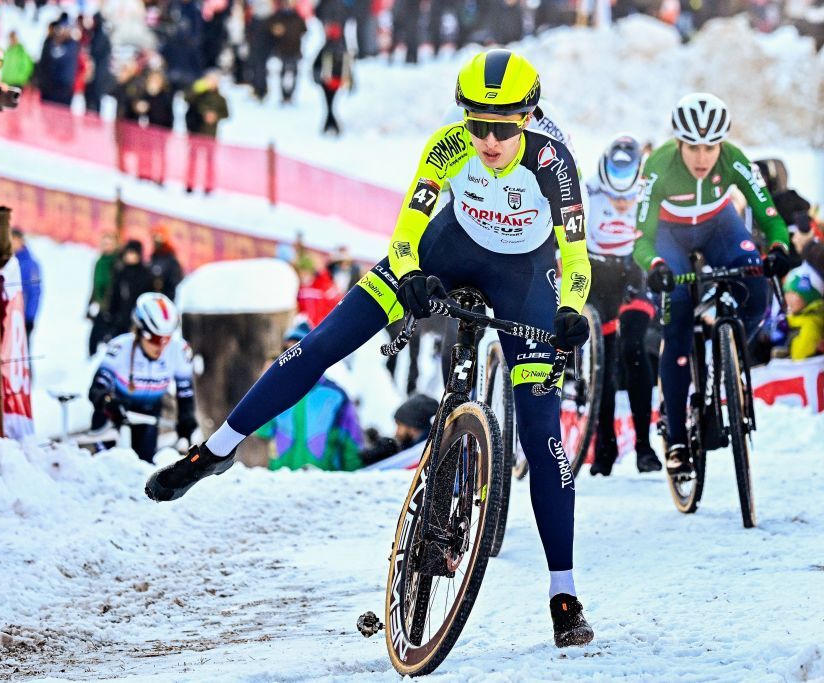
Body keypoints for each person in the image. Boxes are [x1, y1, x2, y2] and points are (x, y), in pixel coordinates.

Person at [148, 49, 596, 648]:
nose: (488, 139)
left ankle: (562, 592)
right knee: (321, 345)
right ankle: (216, 450)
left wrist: (569, 311)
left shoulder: (551, 160)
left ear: (529, 116)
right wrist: (408, 274)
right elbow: (407, 231)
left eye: (503, 126)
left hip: (526, 277)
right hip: (451, 246)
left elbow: (575, 258)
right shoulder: (450, 144)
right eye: (476, 123)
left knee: (543, 437)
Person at [634, 93, 792, 476]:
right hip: (670, 237)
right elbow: (641, 237)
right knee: (677, 326)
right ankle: (674, 438)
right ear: (680, 144)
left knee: (755, 282)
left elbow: (767, 212)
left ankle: (726, 351)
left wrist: (779, 246)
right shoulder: (659, 165)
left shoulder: (733, 159)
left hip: (719, 227)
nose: (703, 157)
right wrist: (654, 265)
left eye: (711, 147)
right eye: (694, 148)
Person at [584, 135, 661, 476]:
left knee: (633, 348)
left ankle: (644, 447)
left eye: (626, 197)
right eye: (614, 197)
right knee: (603, 360)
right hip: (597, 275)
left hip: (634, 271)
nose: (619, 204)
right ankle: (604, 446)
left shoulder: (648, 194)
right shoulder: (587, 191)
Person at [87, 293, 197, 463]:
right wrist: (107, 401)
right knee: (106, 466)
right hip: (113, 412)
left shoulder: (178, 350)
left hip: (148, 414)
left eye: (166, 339)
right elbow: (96, 389)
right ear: (139, 330)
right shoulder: (120, 348)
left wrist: (187, 417)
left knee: (143, 466)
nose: (160, 345)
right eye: (153, 338)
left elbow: (185, 392)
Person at [254, 321, 363, 471]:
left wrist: (353, 482)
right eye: (287, 350)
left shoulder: (335, 395)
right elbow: (262, 431)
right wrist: (264, 385)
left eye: (299, 349)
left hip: (321, 482)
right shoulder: (277, 390)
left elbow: (351, 443)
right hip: (282, 481)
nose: (293, 356)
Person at [359, 393, 438, 466]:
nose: (396, 432)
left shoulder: (423, 456)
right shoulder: (413, 449)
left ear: (413, 426)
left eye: (399, 425)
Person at [184, 70, 229, 194]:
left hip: (210, 134)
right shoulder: (198, 94)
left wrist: (215, 116)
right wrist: (199, 88)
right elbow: (187, 98)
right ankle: (189, 184)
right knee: (192, 159)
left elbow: (226, 114)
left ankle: (208, 186)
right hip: (195, 131)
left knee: (209, 161)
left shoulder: (220, 98)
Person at [107, 239, 155, 337]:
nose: (129, 256)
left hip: (137, 321)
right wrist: (111, 315)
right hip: (120, 319)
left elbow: (146, 299)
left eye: (132, 253)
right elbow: (115, 295)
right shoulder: (121, 271)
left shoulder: (145, 274)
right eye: (128, 253)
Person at [312, 23, 353, 135]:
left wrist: (316, 79)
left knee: (329, 105)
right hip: (337, 82)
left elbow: (315, 65)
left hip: (327, 82)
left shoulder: (326, 48)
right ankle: (330, 127)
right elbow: (349, 68)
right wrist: (350, 84)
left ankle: (331, 127)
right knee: (330, 105)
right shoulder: (343, 48)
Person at [780, 266, 824, 359]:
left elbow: (799, 361)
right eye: (787, 292)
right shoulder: (792, 320)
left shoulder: (810, 326)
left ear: (809, 297)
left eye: (794, 293)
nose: (788, 298)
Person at [267, 0, 306, 104]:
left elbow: (304, 30)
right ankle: (284, 95)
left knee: (294, 74)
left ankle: (291, 95)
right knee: (283, 74)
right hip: (283, 50)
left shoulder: (298, 17)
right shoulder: (278, 16)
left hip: (295, 49)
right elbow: (271, 27)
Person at [88, 232, 119, 356]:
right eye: (105, 243)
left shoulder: (117, 262)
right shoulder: (100, 261)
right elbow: (95, 285)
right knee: (94, 338)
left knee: (108, 338)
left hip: (112, 307)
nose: (107, 246)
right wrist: (90, 304)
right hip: (101, 305)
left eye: (110, 243)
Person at [11, 228, 41, 345]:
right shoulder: (9, 260)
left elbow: (35, 292)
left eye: (14, 239)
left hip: (23, 316)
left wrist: (30, 317)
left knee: (24, 350)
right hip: (10, 316)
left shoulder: (30, 264)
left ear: (21, 241)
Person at [149, 225, 184, 300]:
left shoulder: (171, 260)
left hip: (166, 299)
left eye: (159, 236)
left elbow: (176, 283)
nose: (156, 239)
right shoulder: (153, 258)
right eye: (154, 236)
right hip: (153, 298)